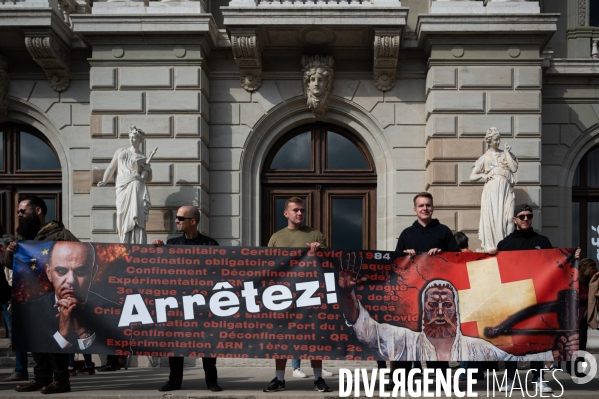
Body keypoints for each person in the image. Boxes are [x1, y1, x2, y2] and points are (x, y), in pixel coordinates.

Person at [337, 275, 578, 362]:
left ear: (457, 310)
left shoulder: (478, 348)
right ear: (423, 310)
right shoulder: (404, 340)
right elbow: (365, 330)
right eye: (433, 304)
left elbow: (511, 358)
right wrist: (348, 293)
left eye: (446, 304)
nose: (440, 311)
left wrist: (555, 354)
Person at [489, 203, 581, 393]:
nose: (525, 219)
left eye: (528, 216)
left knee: (538, 339)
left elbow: (556, 265)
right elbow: (495, 271)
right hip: (512, 300)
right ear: (514, 219)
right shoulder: (505, 244)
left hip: (538, 299)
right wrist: (489, 255)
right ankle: (510, 379)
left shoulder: (543, 241)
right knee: (511, 340)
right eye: (521, 216)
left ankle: (538, 378)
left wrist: (573, 257)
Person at [3, 196, 78, 394]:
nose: (19, 214)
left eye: (23, 211)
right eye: (18, 211)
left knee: (55, 341)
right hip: (32, 299)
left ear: (38, 211)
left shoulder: (60, 233)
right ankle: (40, 378)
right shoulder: (22, 237)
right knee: (36, 341)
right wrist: (11, 252)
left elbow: (80, 254)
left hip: (55, 299)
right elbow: (11, 264)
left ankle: (61, 381)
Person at [263, 197, 331, 393]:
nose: (299, 213)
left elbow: (329, 263)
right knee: (281, 336)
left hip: (310, 294)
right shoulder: (276, 238)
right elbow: (268, 266)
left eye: (302, 210)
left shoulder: (316, 234)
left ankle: (318, 378)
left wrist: (319, 251)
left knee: (314, 336)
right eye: (295, 210)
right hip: (283, 295)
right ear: (286, 214)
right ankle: (279, 378)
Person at [151, 206, 222, 392]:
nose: (176, 221)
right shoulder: (171, 244)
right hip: (178, 304)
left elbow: (219, 274)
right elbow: (161, 272)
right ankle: (174, 381)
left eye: (181, 218)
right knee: (176, 342)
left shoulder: (211, 245)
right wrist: (157, 250)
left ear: (193, 221)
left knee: (207, 343)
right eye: (176, 218)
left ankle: (211, 381)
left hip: (204, 305)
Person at [393, 192, 460, 378]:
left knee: (436, 337)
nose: (425, 208)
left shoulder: (444, 231)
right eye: (421, 206)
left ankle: (440, 379)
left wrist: (442, 254)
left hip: (436, 296)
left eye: (428, 205)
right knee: (409, 337)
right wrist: (405, 255)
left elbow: (458, 258)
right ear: (415, 209)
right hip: (411, 297)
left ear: (432, 207)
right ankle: (403, 378)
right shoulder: (406, 233)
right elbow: (395, 263)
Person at [16, 242, 108, 353]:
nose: (70, 280)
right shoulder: (28, 312)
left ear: (93, 273)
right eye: (61, 271)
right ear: (49, 273)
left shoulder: (113, 311)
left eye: (80, 271)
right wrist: (62, 333)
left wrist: (83, 332)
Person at [97, 125, 154, 244]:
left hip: (136, 185)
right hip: (122, 185)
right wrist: (105, 180)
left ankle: (137, 241)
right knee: (121, 214)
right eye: (130, 137)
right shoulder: (120, 151)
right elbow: (111, 167)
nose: (132, 140)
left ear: (140, 140)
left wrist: (148, 170)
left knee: (136, 213)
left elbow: (147, 179)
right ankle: (124, 240)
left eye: (135, 138)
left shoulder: (142, 157)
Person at [470, 127, 518, 252]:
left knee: (508, 218)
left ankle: (508, 245)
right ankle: (493, 245)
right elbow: (472, 176)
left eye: (499, 139)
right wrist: (482, 175)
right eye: (496, 140)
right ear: (489, 141)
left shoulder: (505, 154)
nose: (498, 142)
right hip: (492, 191)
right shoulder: (484, 158)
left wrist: (507, 153)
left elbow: (513, 169)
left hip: (506, 189)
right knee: (493, 218)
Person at [1, 234, 29, 382]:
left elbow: (12, 279)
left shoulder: (14, 257)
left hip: (10, 299)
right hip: (6, 298)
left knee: (16, 334)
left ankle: (20, 370)